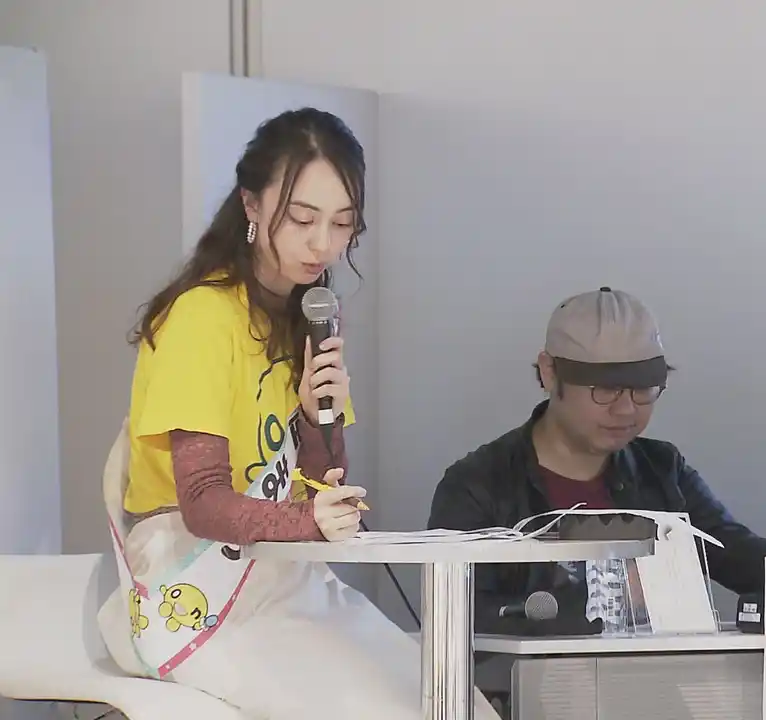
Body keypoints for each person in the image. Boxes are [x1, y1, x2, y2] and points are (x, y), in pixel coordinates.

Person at [95, 108, 499, 719]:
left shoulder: (310, 317)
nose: (323, 244)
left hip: (285, 578)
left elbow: (323, 485)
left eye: (343, 223)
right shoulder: (203, 317)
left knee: (448, 702)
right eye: (303, 219)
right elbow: (202, 503)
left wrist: (316, 419)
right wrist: (311, 519)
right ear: (252, 206)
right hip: (198, 586)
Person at [427, 287, 766, 635]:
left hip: (658, 671)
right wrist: (609, 596)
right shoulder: (478, 486)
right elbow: (456, 612)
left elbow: (740, 556)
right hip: (524, 673)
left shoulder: (662, 470)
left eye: (643, 390)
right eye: (604, 391)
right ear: (549, 373)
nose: (626, 410)